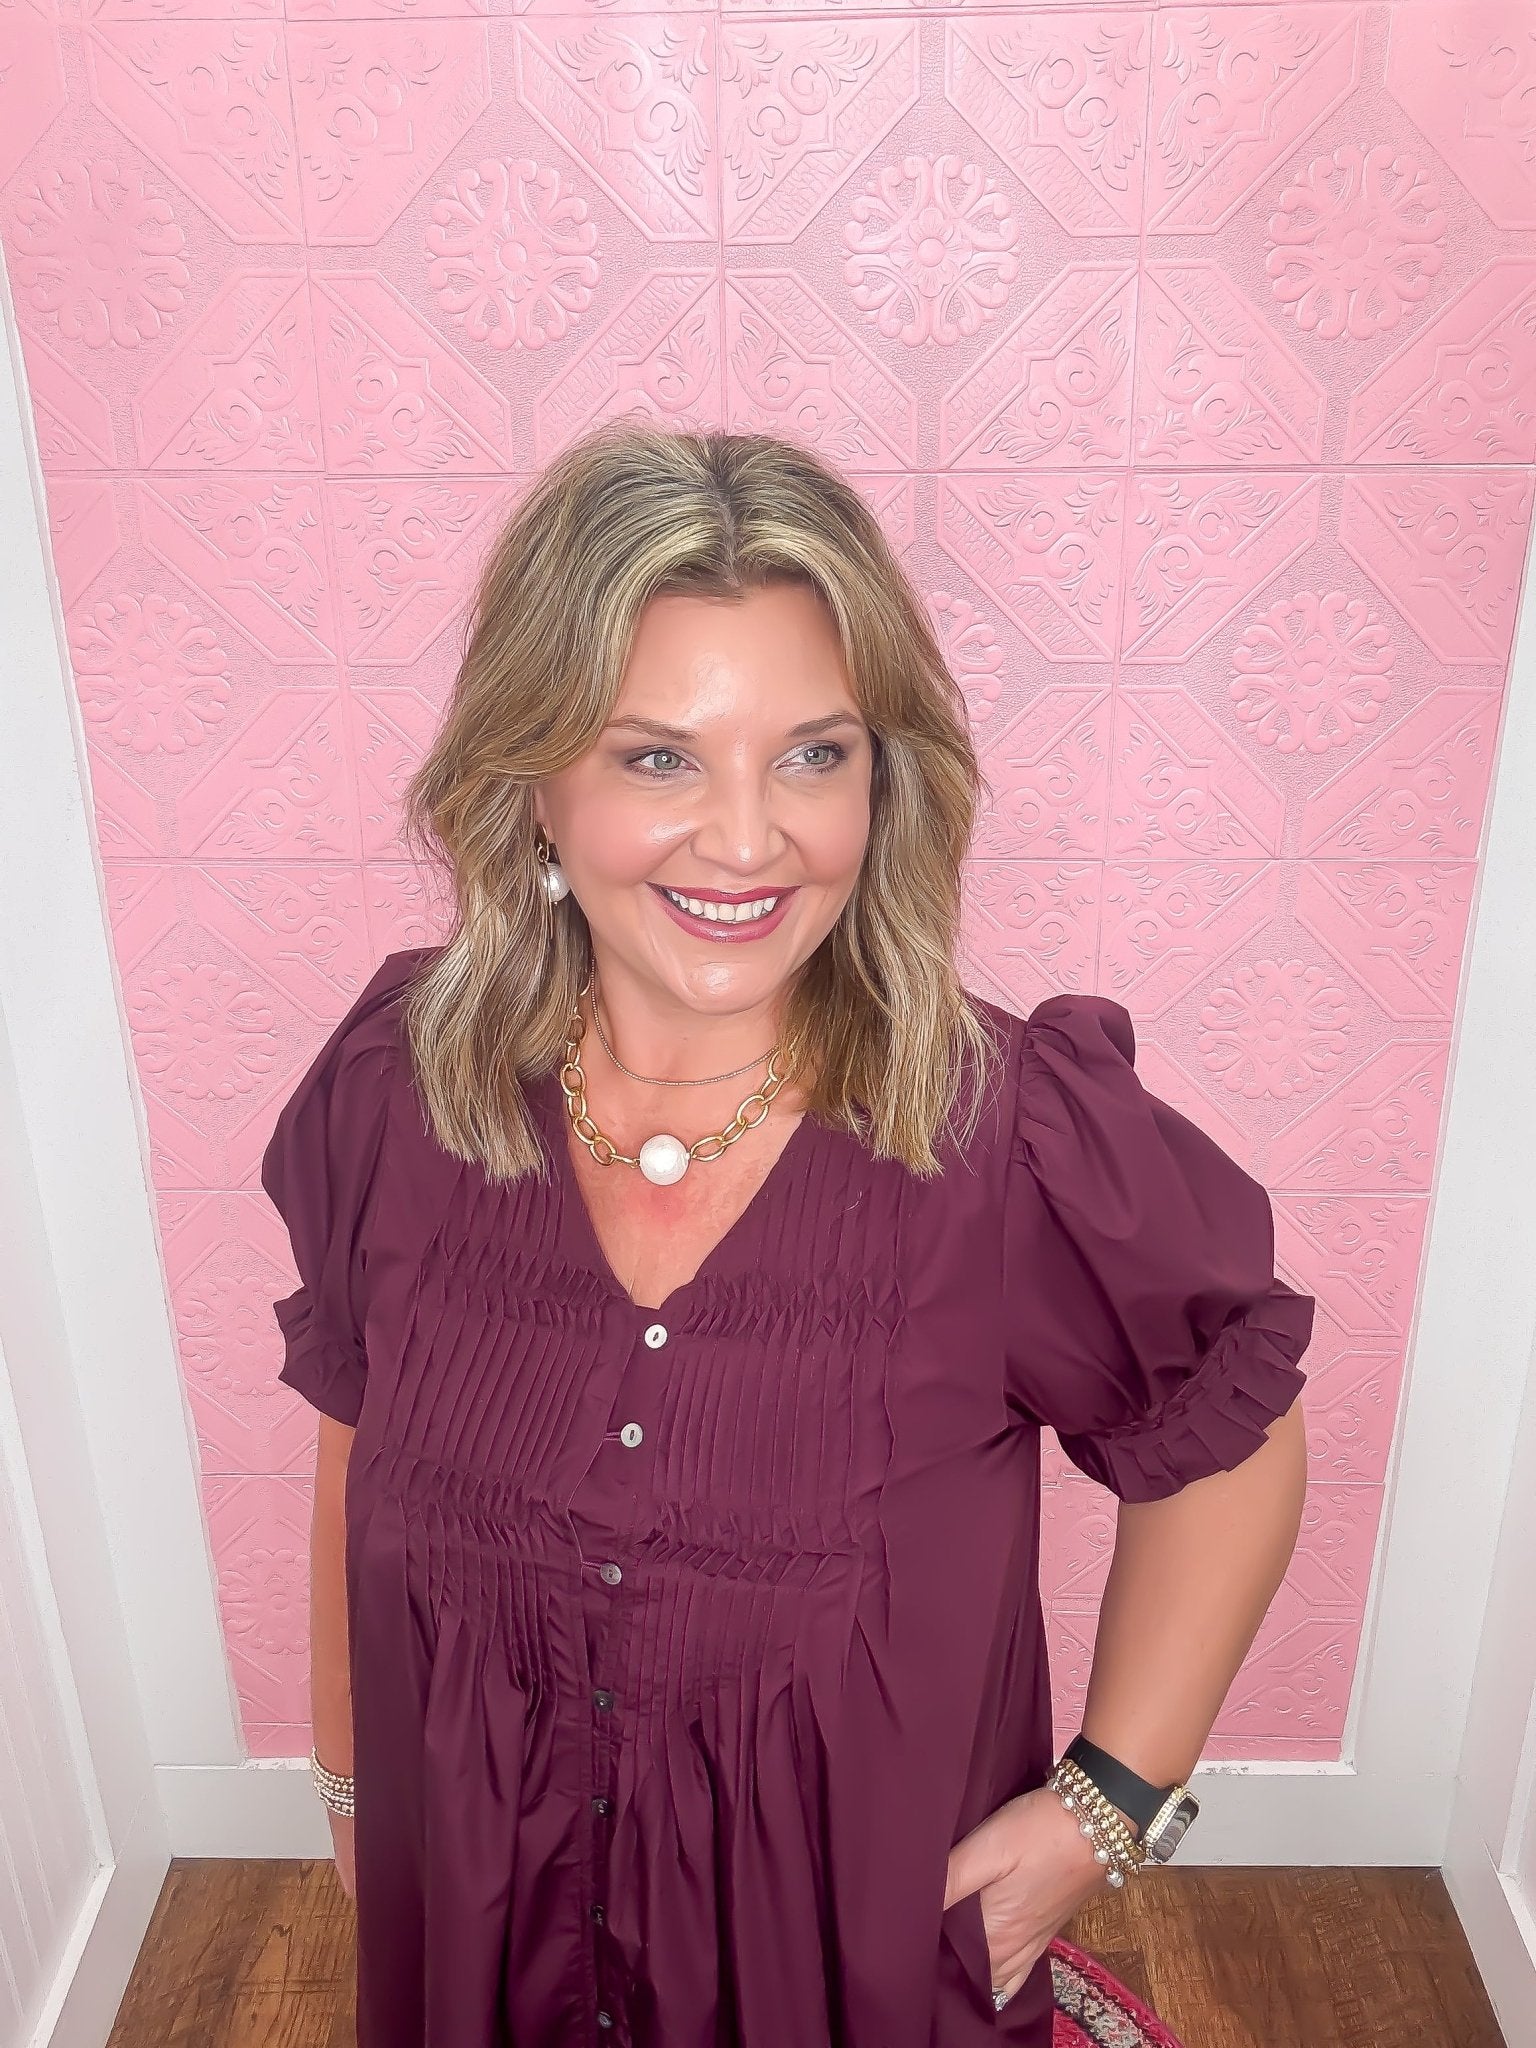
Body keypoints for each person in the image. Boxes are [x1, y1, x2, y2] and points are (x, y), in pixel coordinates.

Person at [261, 422, 1315, 2048]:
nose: (750, 841)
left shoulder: (1008, 1141)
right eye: (658, 759)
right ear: (531, 783)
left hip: (849, 1979)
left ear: (884, 779)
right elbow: (358, 1432)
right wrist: (349, 1781)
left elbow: (1230, 1435)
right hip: (479, 1946)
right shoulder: (397, 1095)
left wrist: (1101, 1812)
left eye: (815, 756)